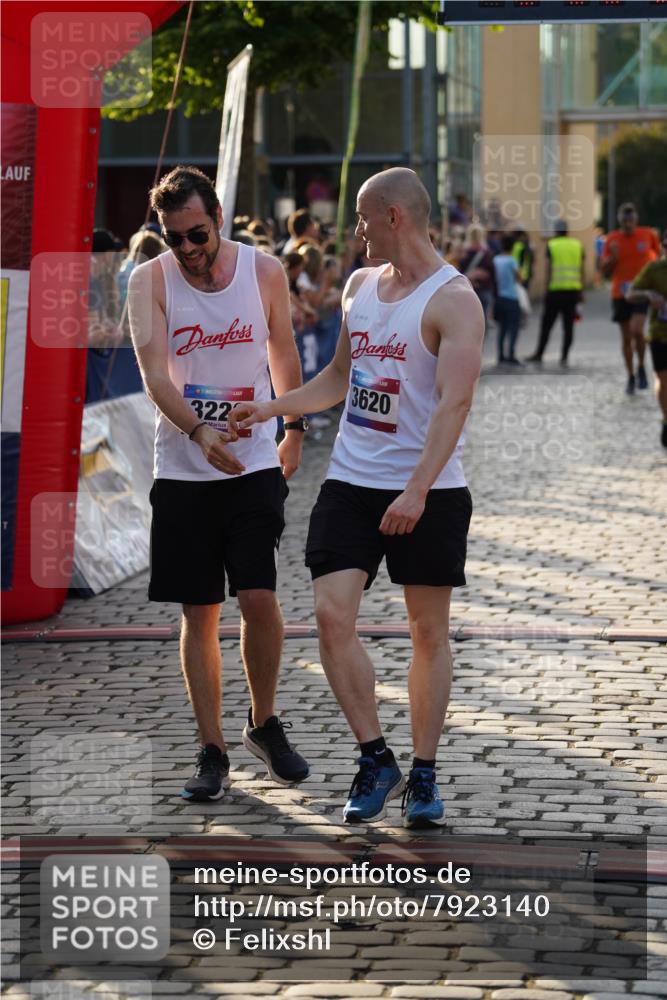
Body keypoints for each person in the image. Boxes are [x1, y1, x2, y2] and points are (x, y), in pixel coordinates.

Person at [230, 167, 484, 828]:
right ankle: (375, 757)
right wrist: (274, 407)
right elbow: (341, 376)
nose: (355, 230)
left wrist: (418, 490)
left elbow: (454, 404)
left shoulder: (453, 300)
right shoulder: (358, 287)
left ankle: (423, 775)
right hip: (349, 482)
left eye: (364, 218)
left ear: (394, 217)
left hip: (426, 489)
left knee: (427, 631)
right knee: (330, 615)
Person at [127, 165, 310, 802]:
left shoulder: (264, 271)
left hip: (255, 460)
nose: (188, 250)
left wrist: (293, 426)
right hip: (182, 469)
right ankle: (213, 750)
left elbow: (283, 350)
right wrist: (199, 434)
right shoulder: (148, 281)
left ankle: (263, 721)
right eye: (174, 238)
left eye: (197, 234)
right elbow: (155, 376)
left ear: (219, 217)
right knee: (199, 611)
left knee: (258, 597)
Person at [600, 203, 660, 394]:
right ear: (620, 221)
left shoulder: (647, 234)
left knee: (637, 331)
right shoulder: (612, 239)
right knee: (626, 337)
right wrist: (613, 258)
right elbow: (605, 272)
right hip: (620, 293)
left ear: (636, 220)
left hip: (641, 292)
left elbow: (659, 257)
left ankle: (642, 365)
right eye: (624, 221)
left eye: (631, 220)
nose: (628, 224)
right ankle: (631, 375)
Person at [627, 227, 667, 448]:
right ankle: (666, 419)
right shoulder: (654, 270)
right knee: (663, 381)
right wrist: (648, 294)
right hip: (660, 334)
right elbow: (630, 293)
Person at [525, 219, 584, 367]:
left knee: (546, 324)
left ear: (556, 231)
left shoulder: (552, 245)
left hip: (555, 291)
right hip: (573, 291)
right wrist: (581, 290)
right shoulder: (577, 245)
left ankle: (539, 353)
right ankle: (564, 356)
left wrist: (546, 288)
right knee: (568, 326)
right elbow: (581, 269)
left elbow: (548, 268)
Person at [493, 234, 522, 365]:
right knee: (513, 327)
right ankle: (511, 354)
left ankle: (500, 355)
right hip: (511, 297)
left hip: (498, 298)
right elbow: (519, 278)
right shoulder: (512, 260)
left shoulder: (495, 260)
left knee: (502, 328)